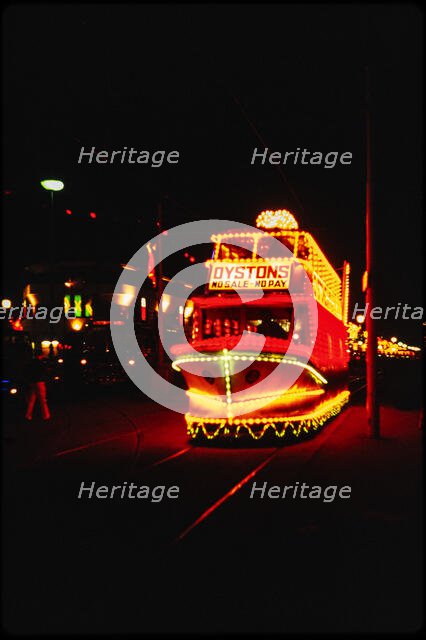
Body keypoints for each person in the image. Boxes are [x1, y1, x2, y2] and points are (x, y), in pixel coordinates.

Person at [24, 348, 51, 421]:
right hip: (39, 382)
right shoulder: (40, 363)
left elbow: (28, 371)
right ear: (41, 355)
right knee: (42, 400)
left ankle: (28, 415)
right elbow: (44, 371)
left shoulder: (32, 362)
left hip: (33, 382)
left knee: (32, 400)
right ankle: (46, 415)